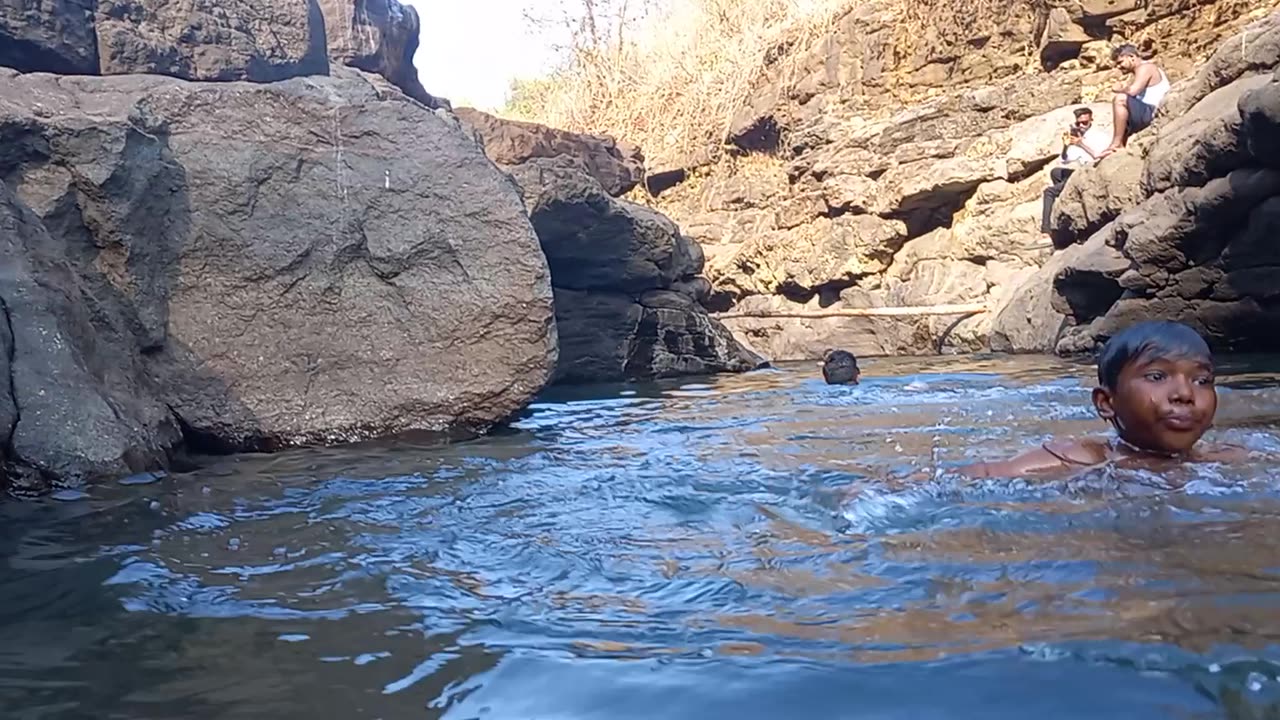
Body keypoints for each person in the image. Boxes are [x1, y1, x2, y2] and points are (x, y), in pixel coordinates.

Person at [961, 320, 1243, 478]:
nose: (1185, 394)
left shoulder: (1224, 458)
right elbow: (984, 473)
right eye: (1157, 377)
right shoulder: (1081, 458)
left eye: (1202, 381)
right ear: (1107, 403)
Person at [1042, 107, 1107, 242]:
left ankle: (1046, 231)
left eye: (1085, 123)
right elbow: (1066, 160)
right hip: (1081, 170)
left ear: (1091, 120)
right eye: (1079, 123)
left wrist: (1081, 144)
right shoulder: (1077, 135)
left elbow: (1098, 156)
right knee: (1056, 173)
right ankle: (1066, 199)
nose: (1081, 126)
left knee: (1049, 192)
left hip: (1092, 172)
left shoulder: (1099, 136)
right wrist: (1066, 146)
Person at [1100, 44, 1170, 157]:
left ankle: (1116, 144)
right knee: (1123, 113)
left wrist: (1121, 89)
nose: (1118, 67)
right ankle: (1119, 147)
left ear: (1132, 57)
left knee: (1120, 99)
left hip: (1155, 112)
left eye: (1120, 62)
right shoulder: (1139, 72)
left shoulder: (1146, 67)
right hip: (1148, 113)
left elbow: (1133, 91)